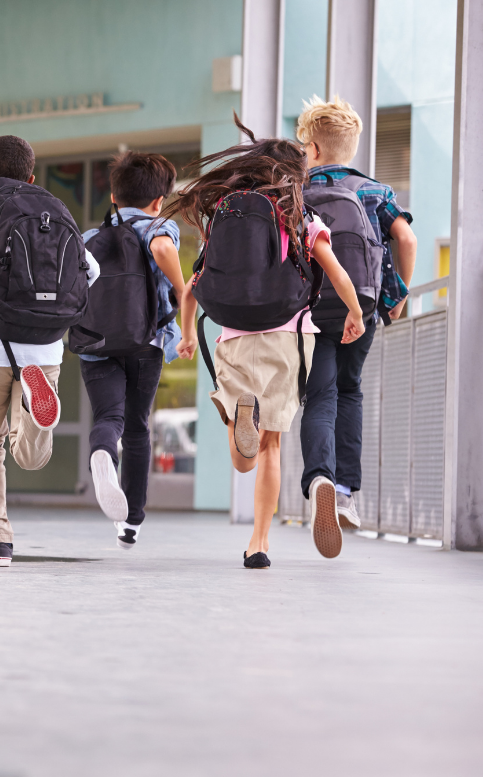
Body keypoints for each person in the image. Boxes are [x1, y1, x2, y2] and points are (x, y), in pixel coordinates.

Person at [170, 115, 365, 568]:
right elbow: (336, 272)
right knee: (273, 444)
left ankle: (244, 425)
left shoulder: (224, 213)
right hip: (288, 335)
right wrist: (354, 313)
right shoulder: (300, 215)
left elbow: (190, 289)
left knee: (245, 455)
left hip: (233, 338)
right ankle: (260, 543)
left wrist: (184, 335)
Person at [0, 135, 99, 567]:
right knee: (30, 456)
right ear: (31, 175)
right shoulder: (52, 209)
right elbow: (91, 269)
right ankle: (35, 414)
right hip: (44, 347)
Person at [295, 97, 418, 533]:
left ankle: (320, 479)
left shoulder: (296, 192)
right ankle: (344, 493)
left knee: (319, 394)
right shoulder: (375, 191)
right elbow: (406, 239)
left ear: (311, 148)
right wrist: (397, 294)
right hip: (361, 308)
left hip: (308, 309)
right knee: (349, 392)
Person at [77, 152, 187, 550]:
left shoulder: (89, 238)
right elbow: (161, 250)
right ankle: (131, 522)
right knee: (139, 426)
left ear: (112, 196)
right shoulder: (161, 226)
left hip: (97, 342)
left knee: (110, 417)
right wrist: (182, 289)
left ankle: (103, 452)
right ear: (159, 199)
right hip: (146, 341)